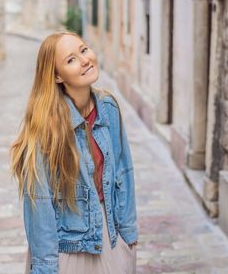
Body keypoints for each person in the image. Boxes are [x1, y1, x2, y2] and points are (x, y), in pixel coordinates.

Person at [10, 31, 138, 274]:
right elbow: (39, 204)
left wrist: (128, 238)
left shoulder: (109, 108)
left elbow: (124, 171)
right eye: (71, 60)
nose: (84, 60)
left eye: (83, 50)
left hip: (110, 241)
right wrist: (47, 267)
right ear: (57, 76)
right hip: (68, 252)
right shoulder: (44, 128)